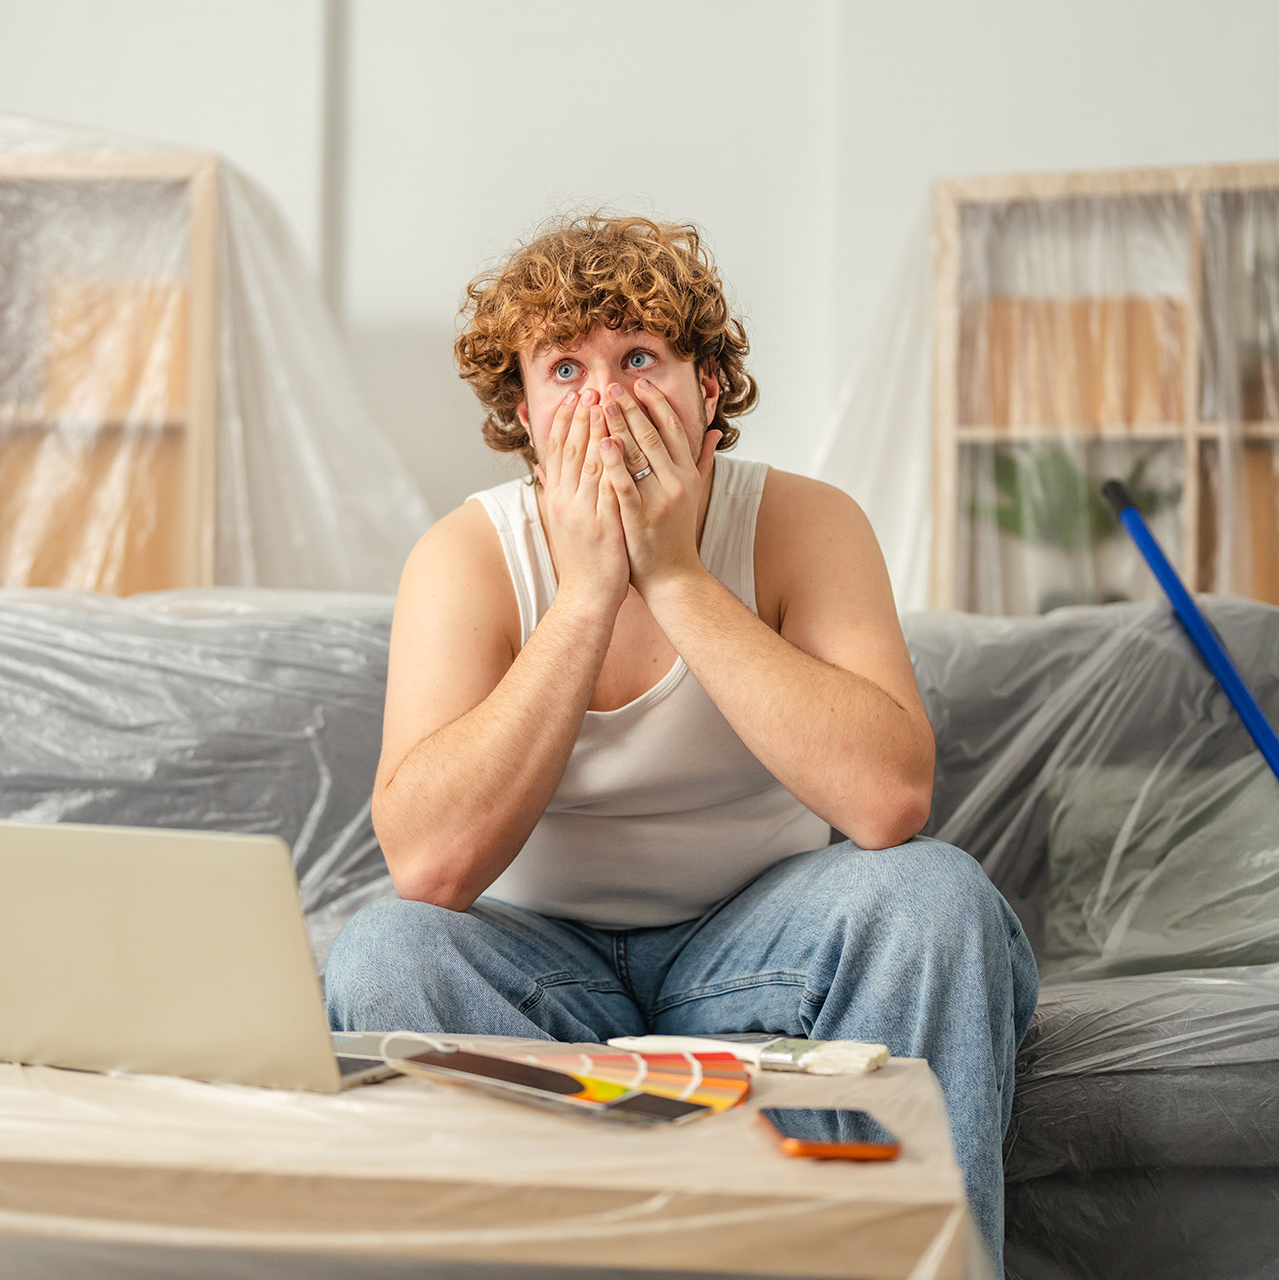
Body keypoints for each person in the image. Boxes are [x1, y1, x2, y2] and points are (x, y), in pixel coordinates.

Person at [325, 214, 1037, 1270]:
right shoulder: (468, 556)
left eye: (639, 357)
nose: (604, 398)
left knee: (935, 893)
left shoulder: (806, 522)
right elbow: (428, 864)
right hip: (537, 969)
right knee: (381, 950)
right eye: (565, 367)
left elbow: (888, 800)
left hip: (759, 952)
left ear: (709, 390)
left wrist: (675, 575)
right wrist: (583, 598)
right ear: (522, 412)